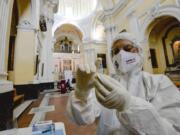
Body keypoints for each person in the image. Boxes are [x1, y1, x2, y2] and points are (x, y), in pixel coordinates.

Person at [66, 32, 180, 135]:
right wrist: (82, 93)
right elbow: (81, 119)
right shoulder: (107, 83)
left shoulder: (158, 82)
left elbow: (172, 131)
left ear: (139, 51)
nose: (121, 53)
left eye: (128, 48)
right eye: (116, 51)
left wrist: (129, 104)